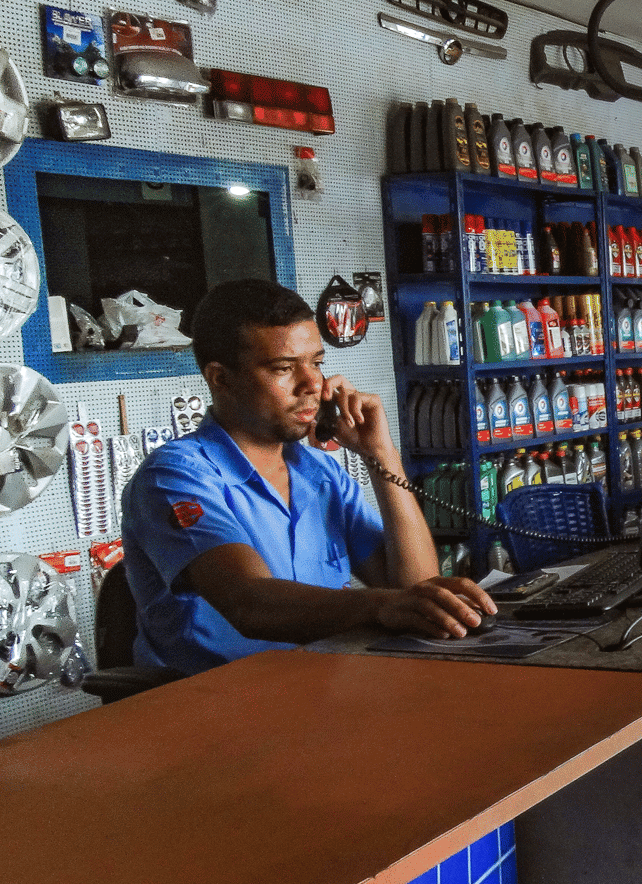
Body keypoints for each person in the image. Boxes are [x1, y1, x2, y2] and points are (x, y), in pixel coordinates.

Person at [121, 280, 495, 676]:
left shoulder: (319, 472)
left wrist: (381, 456)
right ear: (220, 378)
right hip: (214, 705)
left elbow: (418, 585)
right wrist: (381, 605)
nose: (313, 385)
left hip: (319, 686)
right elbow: (250, 603)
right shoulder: (175, 478)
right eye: (284, 368)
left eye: (316, 363)